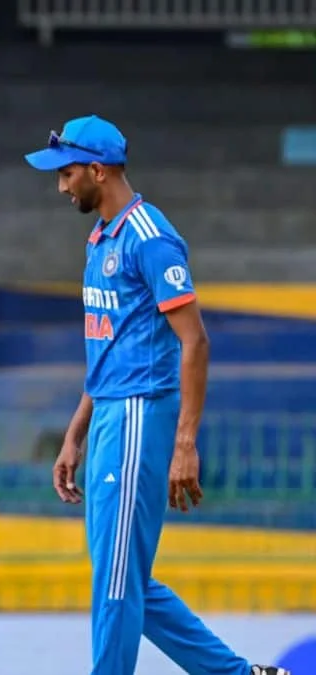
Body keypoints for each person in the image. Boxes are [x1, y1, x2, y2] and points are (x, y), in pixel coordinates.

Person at [25, 115, 290, 675]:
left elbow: (195, 341)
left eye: (67, 173)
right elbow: (108, 349)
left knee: (117, 579)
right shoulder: (101, 238)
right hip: (109, 414)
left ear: (99, 170)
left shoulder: (150, 237)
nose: (61, 186)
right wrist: (75, 433)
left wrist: (185, 443)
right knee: (125, 577)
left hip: (141, 413)